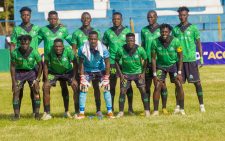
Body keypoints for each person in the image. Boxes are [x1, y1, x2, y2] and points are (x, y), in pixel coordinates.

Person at [38, 11, 74, 118]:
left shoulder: (63, 29)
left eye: (55, 18)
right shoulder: (43, 30)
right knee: (46, 87)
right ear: (48, 19)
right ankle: (47, 112)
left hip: (62, 66)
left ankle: (67, 111)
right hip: (50, 66)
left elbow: (73, 42)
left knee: (64, 87)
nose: (53, 20)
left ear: (57, 19)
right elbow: (35, 43)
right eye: (51, 18)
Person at [172, 6, 205, 113]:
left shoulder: (193, 28)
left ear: (187, 15)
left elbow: (198, 43)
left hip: (191, 60)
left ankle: (201, 105)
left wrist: (201, 58)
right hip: (179, 61)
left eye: (184, 15)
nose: (182, 17)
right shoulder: (175, 29)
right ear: (178, 16)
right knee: (178, 84)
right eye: (180, 15)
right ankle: (178, 106)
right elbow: (173, 44)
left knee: (197, 83)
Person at [75, 31, 114, 119]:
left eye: (95, 39)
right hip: (87, 70)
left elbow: (107, 63)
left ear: (98, 40)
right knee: (83, 88)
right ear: (88, 39)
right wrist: (82, 77)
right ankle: (81, 113)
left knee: (106, 87)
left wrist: (106, 77)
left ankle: (110, 112)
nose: (93, 41)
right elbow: (80, 63)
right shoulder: (82, 48)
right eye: (91, 39)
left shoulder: (103, 48)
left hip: (100, 70)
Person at [10, 7, 41, 115]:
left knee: (35, 90)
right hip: (20, 64)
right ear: (21, 16)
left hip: (33, 63)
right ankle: (17, 114)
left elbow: (47, 33)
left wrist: (58, 25)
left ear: (30, 15)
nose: (26, 17)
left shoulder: (37, 28)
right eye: (23, 15)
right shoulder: (16, 29)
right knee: (19, 90)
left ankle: (35, 113)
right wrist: (13, 57)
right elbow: (13, 44)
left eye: (27, 15)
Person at [103, 12, 134, 114]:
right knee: (112, 87)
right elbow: (104, 47)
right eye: (114, 19)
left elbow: (131, 47)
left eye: (118, 19)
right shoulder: (108, 32)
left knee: (127, 86)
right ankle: (110, 109)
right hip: (111, 62)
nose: (116, 21)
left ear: (121, 19)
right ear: (112, 20)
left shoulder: (127, 31)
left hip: (124, 63)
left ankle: (130, 108)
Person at [151, 24, 185, 115]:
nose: (164, 33)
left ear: (169, 32)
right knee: (157, 86)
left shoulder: (176, 41)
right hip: (160, 66)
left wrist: (179, 72)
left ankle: (181, 109)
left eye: (166, 32)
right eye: (162, 32)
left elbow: (181, 56)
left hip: (172, 65)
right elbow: (153, 59)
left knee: (179, 84)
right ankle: (155, 111)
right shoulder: (155, 42)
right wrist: (154, 74)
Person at [71, 12, 101, 115]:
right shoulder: (76, 33)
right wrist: (76, 64)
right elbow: (74, 50)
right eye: (84, 18)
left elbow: (99, 48)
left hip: (94, 66)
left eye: (88, 18)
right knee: (80, 88)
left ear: (91, 19)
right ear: (81, 19)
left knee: (96, 88)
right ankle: (78, 111)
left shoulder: (96, 32)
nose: (86, 19)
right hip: (82, 66)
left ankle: (98, 110)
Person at [42, 38, 78, 120]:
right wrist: (46, 79)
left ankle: (75, 112)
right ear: (53, 47)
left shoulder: (69, 50)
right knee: (45, 87)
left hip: (67, 71)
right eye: (56, 47)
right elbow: (46, 65)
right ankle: (47, 113)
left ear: (63, 47)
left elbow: (75, 64)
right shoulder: (49, 50)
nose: (58, 48)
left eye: (60, 46)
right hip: (53, 72)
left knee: (75, 85)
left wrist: (74, 78)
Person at [115, 33, 150, 118]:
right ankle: (121, 112)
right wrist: (121, 74)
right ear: (126, 41)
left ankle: (147, 111)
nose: (130, 42)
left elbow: (146, 60)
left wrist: (143, 72)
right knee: (123, 91)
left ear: (135, 41)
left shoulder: (140, 49)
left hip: (138, 74)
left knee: (143, 90)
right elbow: (116, 61)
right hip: (126, 74)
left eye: (132, 40)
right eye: (128, 41)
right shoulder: (121, 49)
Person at [141, 10, 168, 114]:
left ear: (156, 17)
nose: (150, 19)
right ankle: (147, 109)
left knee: (161, 85)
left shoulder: (162, 29)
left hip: (159, 63)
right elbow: (143, 46)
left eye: (152, 17)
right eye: (148, 17)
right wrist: (141, 60)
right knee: (146, 86)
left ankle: (164, 107)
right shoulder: (144, 30)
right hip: (148, 62)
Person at [10, 35, 42, 120]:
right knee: (16, 92)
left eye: (26, 44)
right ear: (19, 43)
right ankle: (16, 115)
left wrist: (37, 79)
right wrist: (13, 82)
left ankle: (37, 114)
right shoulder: (14, 53)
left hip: (31, 72)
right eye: (22, 44)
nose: (24, 45)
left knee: (36, 91)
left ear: (29, 43)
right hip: (19, 73)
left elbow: (40, 65)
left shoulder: (34, 52)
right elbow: (12, 67)